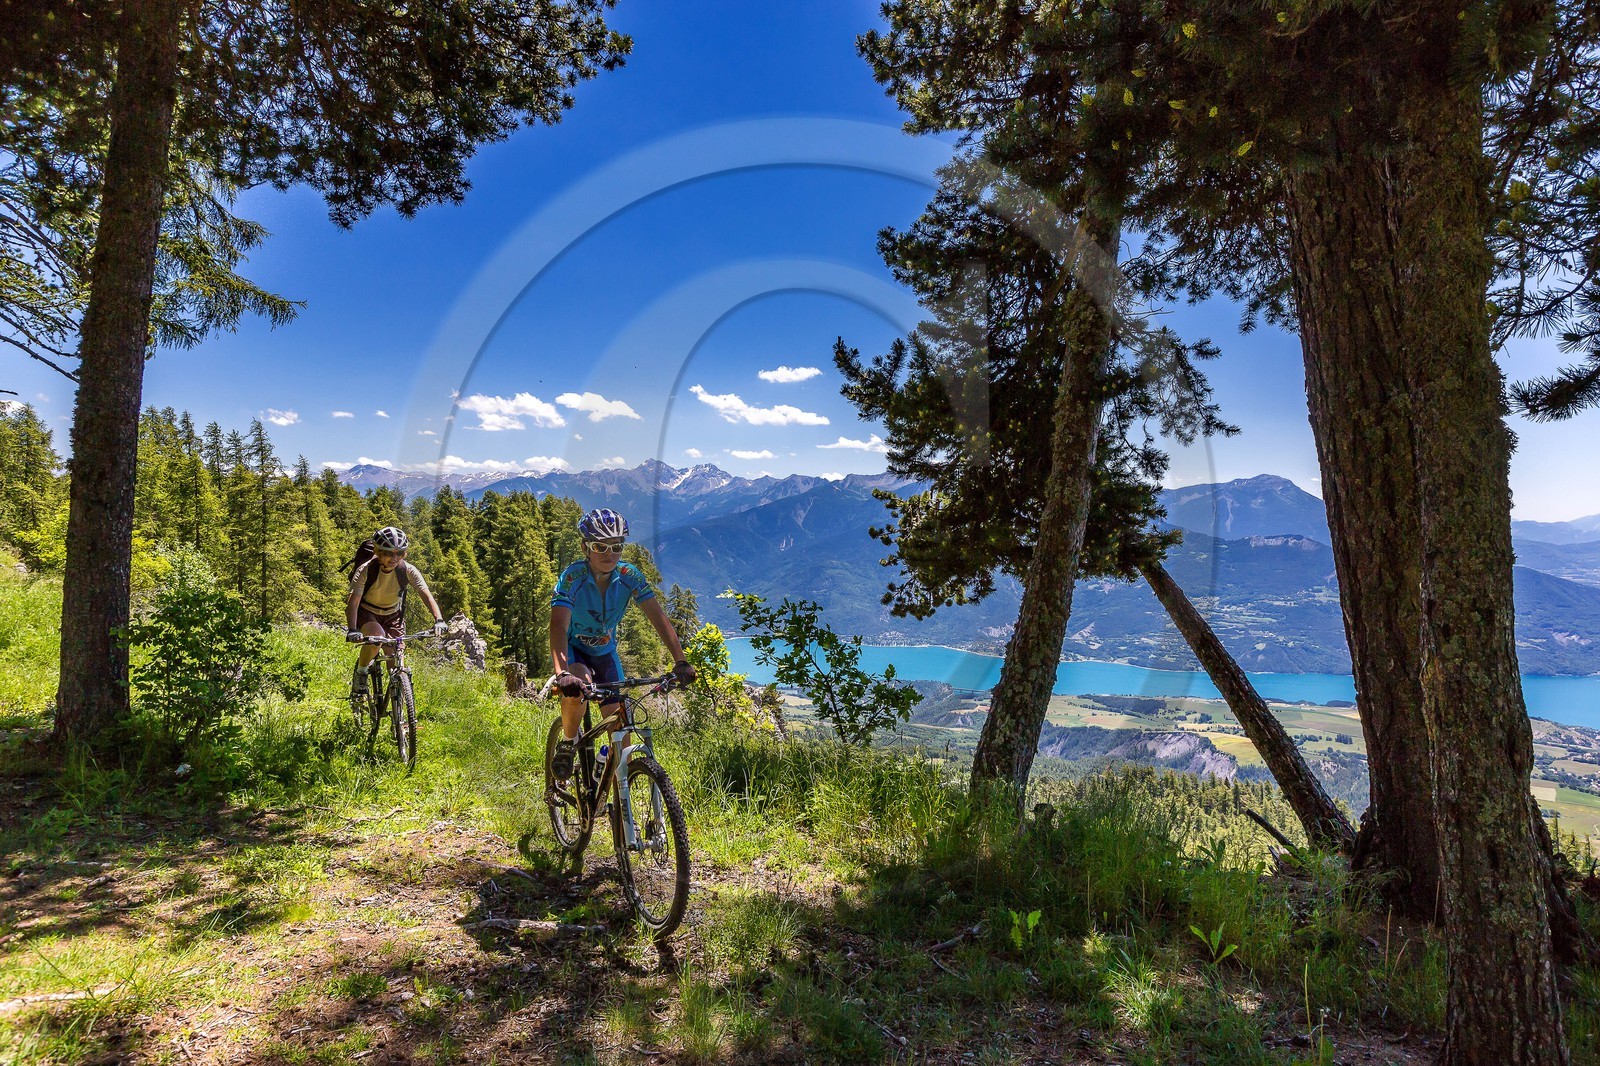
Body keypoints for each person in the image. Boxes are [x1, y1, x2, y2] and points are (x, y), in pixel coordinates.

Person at [549, 508, 696, 778]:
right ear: (585, 547)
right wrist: (562, 673)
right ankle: (568, 743)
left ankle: (608, 775)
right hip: (574, 651)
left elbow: (658, 618)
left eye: (616, 547)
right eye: (600, 546)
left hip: (605, 653)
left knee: (622, 732)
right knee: (577, 683)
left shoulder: (630, 576)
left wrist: (681, 660)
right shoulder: (572, 578)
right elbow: (558, 625)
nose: (609, 554)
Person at [345, 526, 447, 697]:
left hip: (393, 615)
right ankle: (361, 673)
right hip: (368, 612)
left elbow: (426, 595)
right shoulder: (366, 570)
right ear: (378, 552)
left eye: (399, 553)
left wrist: (439, 619)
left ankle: (398, 715)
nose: (394, 558)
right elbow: (353, 603)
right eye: (388, 553)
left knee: (395, 662)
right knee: (376, 639)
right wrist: (352, 630)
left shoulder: (407, 570)